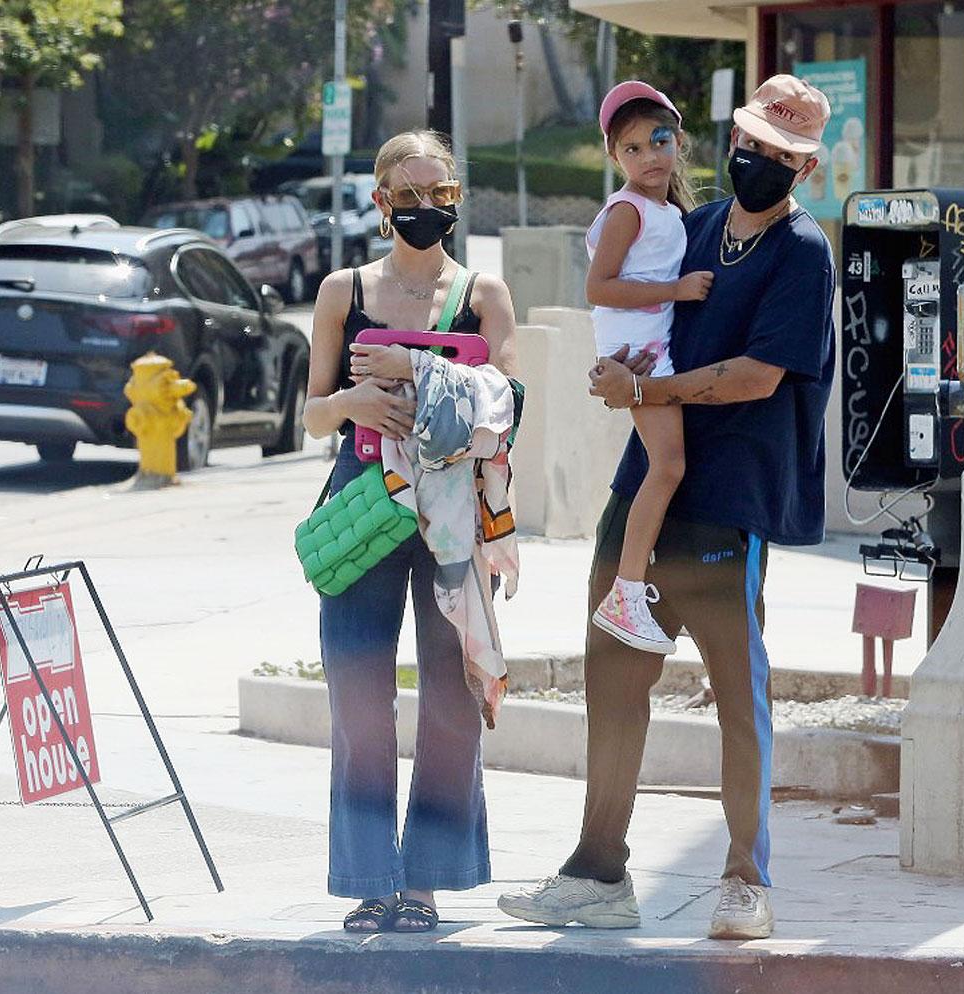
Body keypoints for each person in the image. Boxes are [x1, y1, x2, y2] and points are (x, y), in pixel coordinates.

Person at [499, 75, 836, 941]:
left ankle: (746, 881)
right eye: (750, 144)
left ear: (805, 164)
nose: (757, 162)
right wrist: (621, 377)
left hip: (732, 505)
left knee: (737, 696)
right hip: (644, 490)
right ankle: (598, 871)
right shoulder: (690, 227)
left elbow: (758, 376)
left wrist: (643, 384)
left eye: (779, 153)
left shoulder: (803, 252)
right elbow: (620, 303)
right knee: (612, 682)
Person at [301, 129, 518, 934]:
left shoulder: (483, 295)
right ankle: (367, 878)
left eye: (443, 195)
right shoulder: (340, 292)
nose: (427, 209)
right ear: (380, 200)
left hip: (454, 509)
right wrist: (354, 405)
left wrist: (418, 376)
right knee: (358, 695)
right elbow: (311, 411)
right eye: (411, 195)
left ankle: (426, 879)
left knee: (452, 695)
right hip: (363, 501)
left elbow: (509, 402)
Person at [584, 80, 713, 656]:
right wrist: (678, 290)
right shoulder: (628, 211)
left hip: (649, 346)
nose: (649, 156)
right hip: (639, 350)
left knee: (668, 466)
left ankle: (631, 585)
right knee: (667, 466)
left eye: (659, 140)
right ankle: (626, 591)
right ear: (615, 157)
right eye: (632, 149)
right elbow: (600, 287)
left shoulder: (665, 211)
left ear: (678, 140)